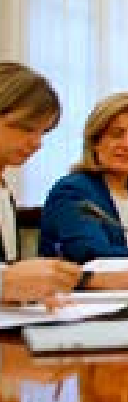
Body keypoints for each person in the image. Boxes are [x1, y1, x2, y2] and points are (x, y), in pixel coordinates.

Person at [36, 91, 128, 290]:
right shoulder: (72, 191)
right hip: (80, 303)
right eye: (117, 134)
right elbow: (92, 254)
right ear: (95, 142)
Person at [0, 61, 83, 307]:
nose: (36, 143)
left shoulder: (4, 190)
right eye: (25, 128)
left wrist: (28, 290)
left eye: (43, 132)